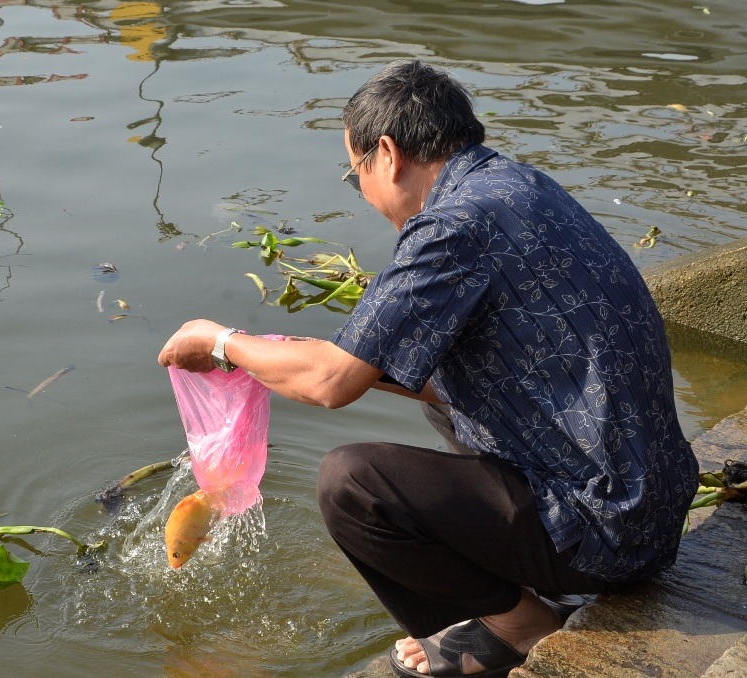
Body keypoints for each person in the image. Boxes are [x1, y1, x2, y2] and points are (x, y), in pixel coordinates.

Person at [157, 60, 699, 678]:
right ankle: (526, 588)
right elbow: (375, 366)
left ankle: (518, 625)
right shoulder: (519, 186)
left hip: (607, 534)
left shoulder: (451, 227)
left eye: (354, 171)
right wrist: (271, 359)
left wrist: (222, 341)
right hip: (650, 510)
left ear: (386, 154)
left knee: (352, 484)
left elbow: (330, 382)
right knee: (434, 387)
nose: (361, 189)